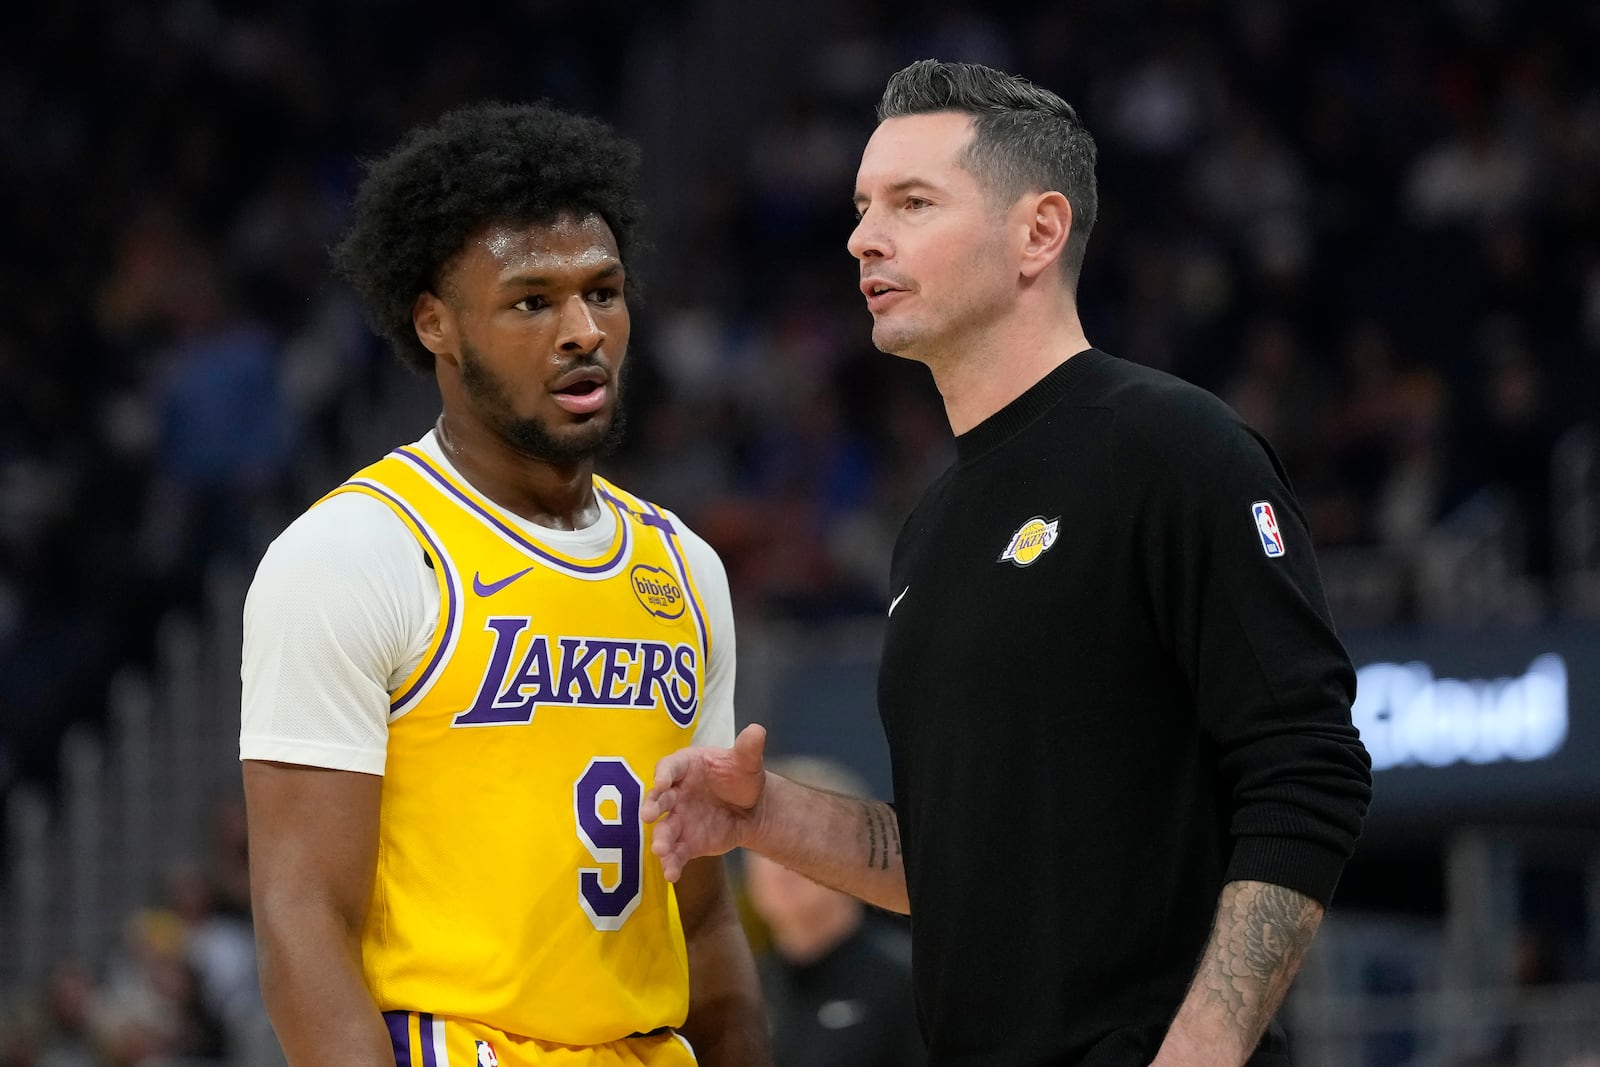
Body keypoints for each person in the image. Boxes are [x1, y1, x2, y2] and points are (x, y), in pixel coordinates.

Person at [642, 60, 1373, 1067]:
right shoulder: (930, 520)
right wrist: (765, 815)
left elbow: (1311, 766)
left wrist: (1201, 1046)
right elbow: (955, 860)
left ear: (1037, 232)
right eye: (860, 205)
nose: (861, 235)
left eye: (910, 201)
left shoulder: (1173, 447)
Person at [240, 102, 769, 1067]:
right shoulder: (357, 551)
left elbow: (702, 920)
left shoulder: (685, 568)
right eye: (533, 302)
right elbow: (300, 917)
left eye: (603, 293)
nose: (583, 332)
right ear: (435, 323)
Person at [741, 757, 923, 1067]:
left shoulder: (908, 985)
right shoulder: (744, 988)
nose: (779, 867)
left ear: (854, 861)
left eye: (798, 843)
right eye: (765, 847)